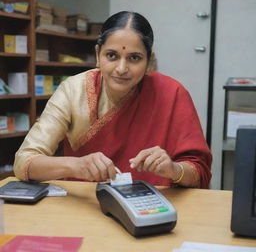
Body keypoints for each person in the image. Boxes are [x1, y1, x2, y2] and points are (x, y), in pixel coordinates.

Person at [13, 11, 212, 188]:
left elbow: (199, 172)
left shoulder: (172, 93)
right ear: (98, 55)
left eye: (134, 58)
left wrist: (173, 170)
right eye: (112, 56)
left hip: (152, 208)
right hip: (87, 205)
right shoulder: (73, 91)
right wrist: (77, 166)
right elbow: (24, 162)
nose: (121, 68)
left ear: (149, 61)